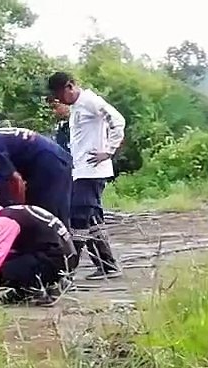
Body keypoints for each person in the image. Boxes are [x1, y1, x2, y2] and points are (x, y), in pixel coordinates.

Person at [47, 71, 124, 280]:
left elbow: (117, 121)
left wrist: (108, 151)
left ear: (70, 86)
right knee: (93, 220)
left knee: (78, 218)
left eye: (61, 95)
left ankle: (68, 270)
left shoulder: (91, 102)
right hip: (81, 171)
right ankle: (107, 265)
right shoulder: (77, 108)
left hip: (92, 172)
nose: (60, 100)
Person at [0, 196, 77, 304]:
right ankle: (31, 288)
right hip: (62, 255)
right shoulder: (11, 211)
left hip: (56, 261)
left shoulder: (5, 222)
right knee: (8, 260)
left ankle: (38, 288)